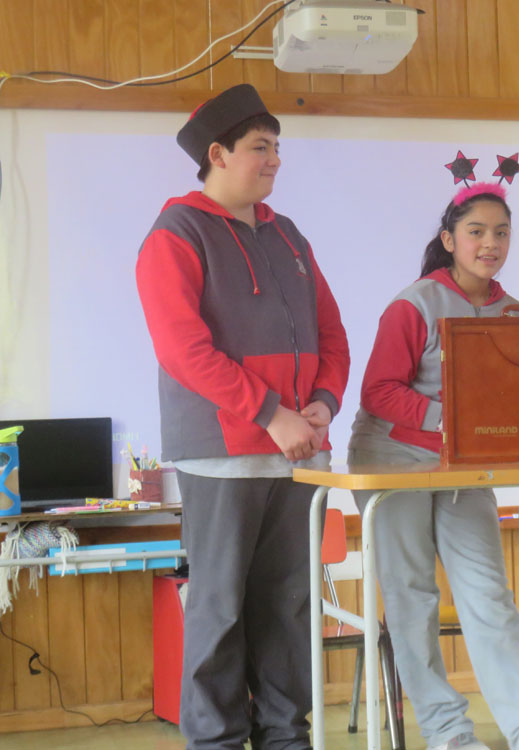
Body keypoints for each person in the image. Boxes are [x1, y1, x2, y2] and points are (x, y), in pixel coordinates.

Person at [136, 83, 350, 750]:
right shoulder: (177, 233)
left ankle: (286, 736)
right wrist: (270, 413)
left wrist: (324, 401)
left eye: (277, 147)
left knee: (288, 608)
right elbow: (183, 350)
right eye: (261, 147)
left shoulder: (289, 236)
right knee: (220, 608)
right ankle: (216, 742)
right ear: (218, 154)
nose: (275, 160)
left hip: (297, 456)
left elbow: (331, 333)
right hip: (223, 454)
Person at [347, 183, 519, 750]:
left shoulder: (516, 314)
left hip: (465, 466)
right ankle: (448, 734)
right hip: (392, 460)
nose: (490, 243)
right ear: (449, 239)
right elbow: (379, 391)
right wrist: (456, 420)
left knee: (490, 599)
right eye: (476, 232)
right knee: (412, 599)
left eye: (501, 233)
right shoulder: (414, 304)